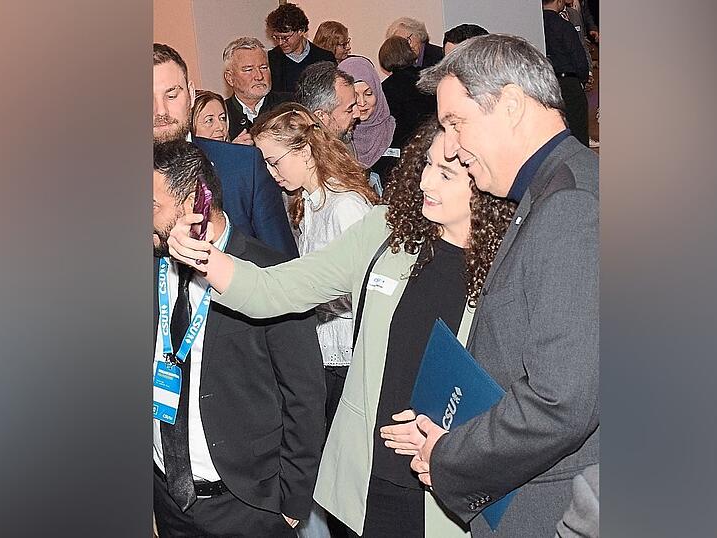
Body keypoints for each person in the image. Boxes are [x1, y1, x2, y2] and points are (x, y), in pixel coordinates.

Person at [164, 119, 517, 537]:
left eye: (445, 173)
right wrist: (205, 257)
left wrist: (453, 445)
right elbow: (278, 288)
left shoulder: (514, 258)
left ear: (485, 176)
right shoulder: (387, 231)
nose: (424, 181)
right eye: (424, 165)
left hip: (449, 482)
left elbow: (522, 392)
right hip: (366, 477)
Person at [381, 33, 599, 537]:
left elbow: (560, 401)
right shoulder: (552, 187)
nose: (453, 146)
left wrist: (449, 457)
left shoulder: (570, 205)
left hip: (546, 507)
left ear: (511, 106)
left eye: (457, 123)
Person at [151, 140, 325, 537]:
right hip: (169, 498)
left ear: (195, 200)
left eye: (153, 206)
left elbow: (305, 395)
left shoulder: (272, 275)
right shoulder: (152, 265)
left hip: (249, 507)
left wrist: (291, 501)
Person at [252, 104, 377, 538]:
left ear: (305, 150)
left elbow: (365, 292)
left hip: (344, 360)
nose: (271, 173)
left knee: (339, 478)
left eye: (274, 160)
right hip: (324, 354)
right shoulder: (308, 201)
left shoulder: (345, 206)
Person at [154, 43, 298, 258]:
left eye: (172, 95)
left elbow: (282, 266)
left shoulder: (243, 166)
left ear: (191, 95)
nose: (161, 110)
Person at [338, 56, 397, 192]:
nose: (362, 103)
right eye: (355, 96)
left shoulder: (394, 132)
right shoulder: (334, 138)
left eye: (369, 94)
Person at [222, 37, 294, 144]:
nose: (259, 76)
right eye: (249, 70)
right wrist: (232, 151)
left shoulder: (290, 106)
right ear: (230, 78)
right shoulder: (222, 115)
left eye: (264, 68)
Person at [542, 0, 591, 146]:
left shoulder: (535, 23)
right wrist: (583, 77)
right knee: (577, 131)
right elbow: (578, 56)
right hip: (568, 82)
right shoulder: (563, 25)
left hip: (546, 82)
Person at [380, 36, 437, 152]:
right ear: (408, 52)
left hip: (403, 145)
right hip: (432, 137)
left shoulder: (386, 87)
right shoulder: (426, 78)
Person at [267, 3, 337, 93]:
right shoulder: (271, 59)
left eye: (285, 38)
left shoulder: (325, 58)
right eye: (276, 37)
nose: (280, 42)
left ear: (301, 31)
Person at [295, 61, 359, 145]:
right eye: (349, 109)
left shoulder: (343, 141)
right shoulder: (300, 155)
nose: (358, 114)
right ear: (320, 116)